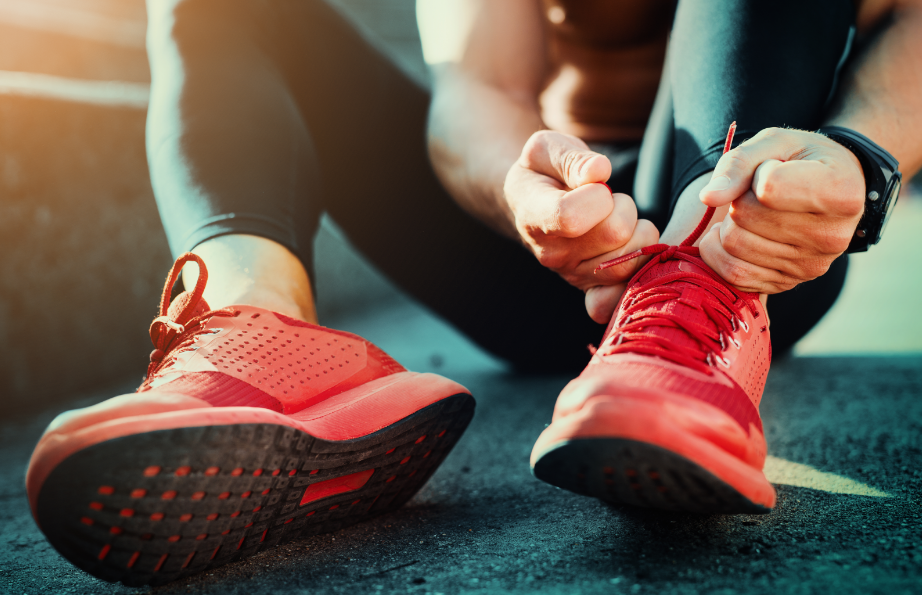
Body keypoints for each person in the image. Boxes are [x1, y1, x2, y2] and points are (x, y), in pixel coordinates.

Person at [25, 0, 921, 585]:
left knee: (726, 209)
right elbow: (476, 89)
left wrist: (859, 157)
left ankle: (690, 314)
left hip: (761, 237)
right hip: (552, 245)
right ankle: (258, 332)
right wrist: (522, 191)